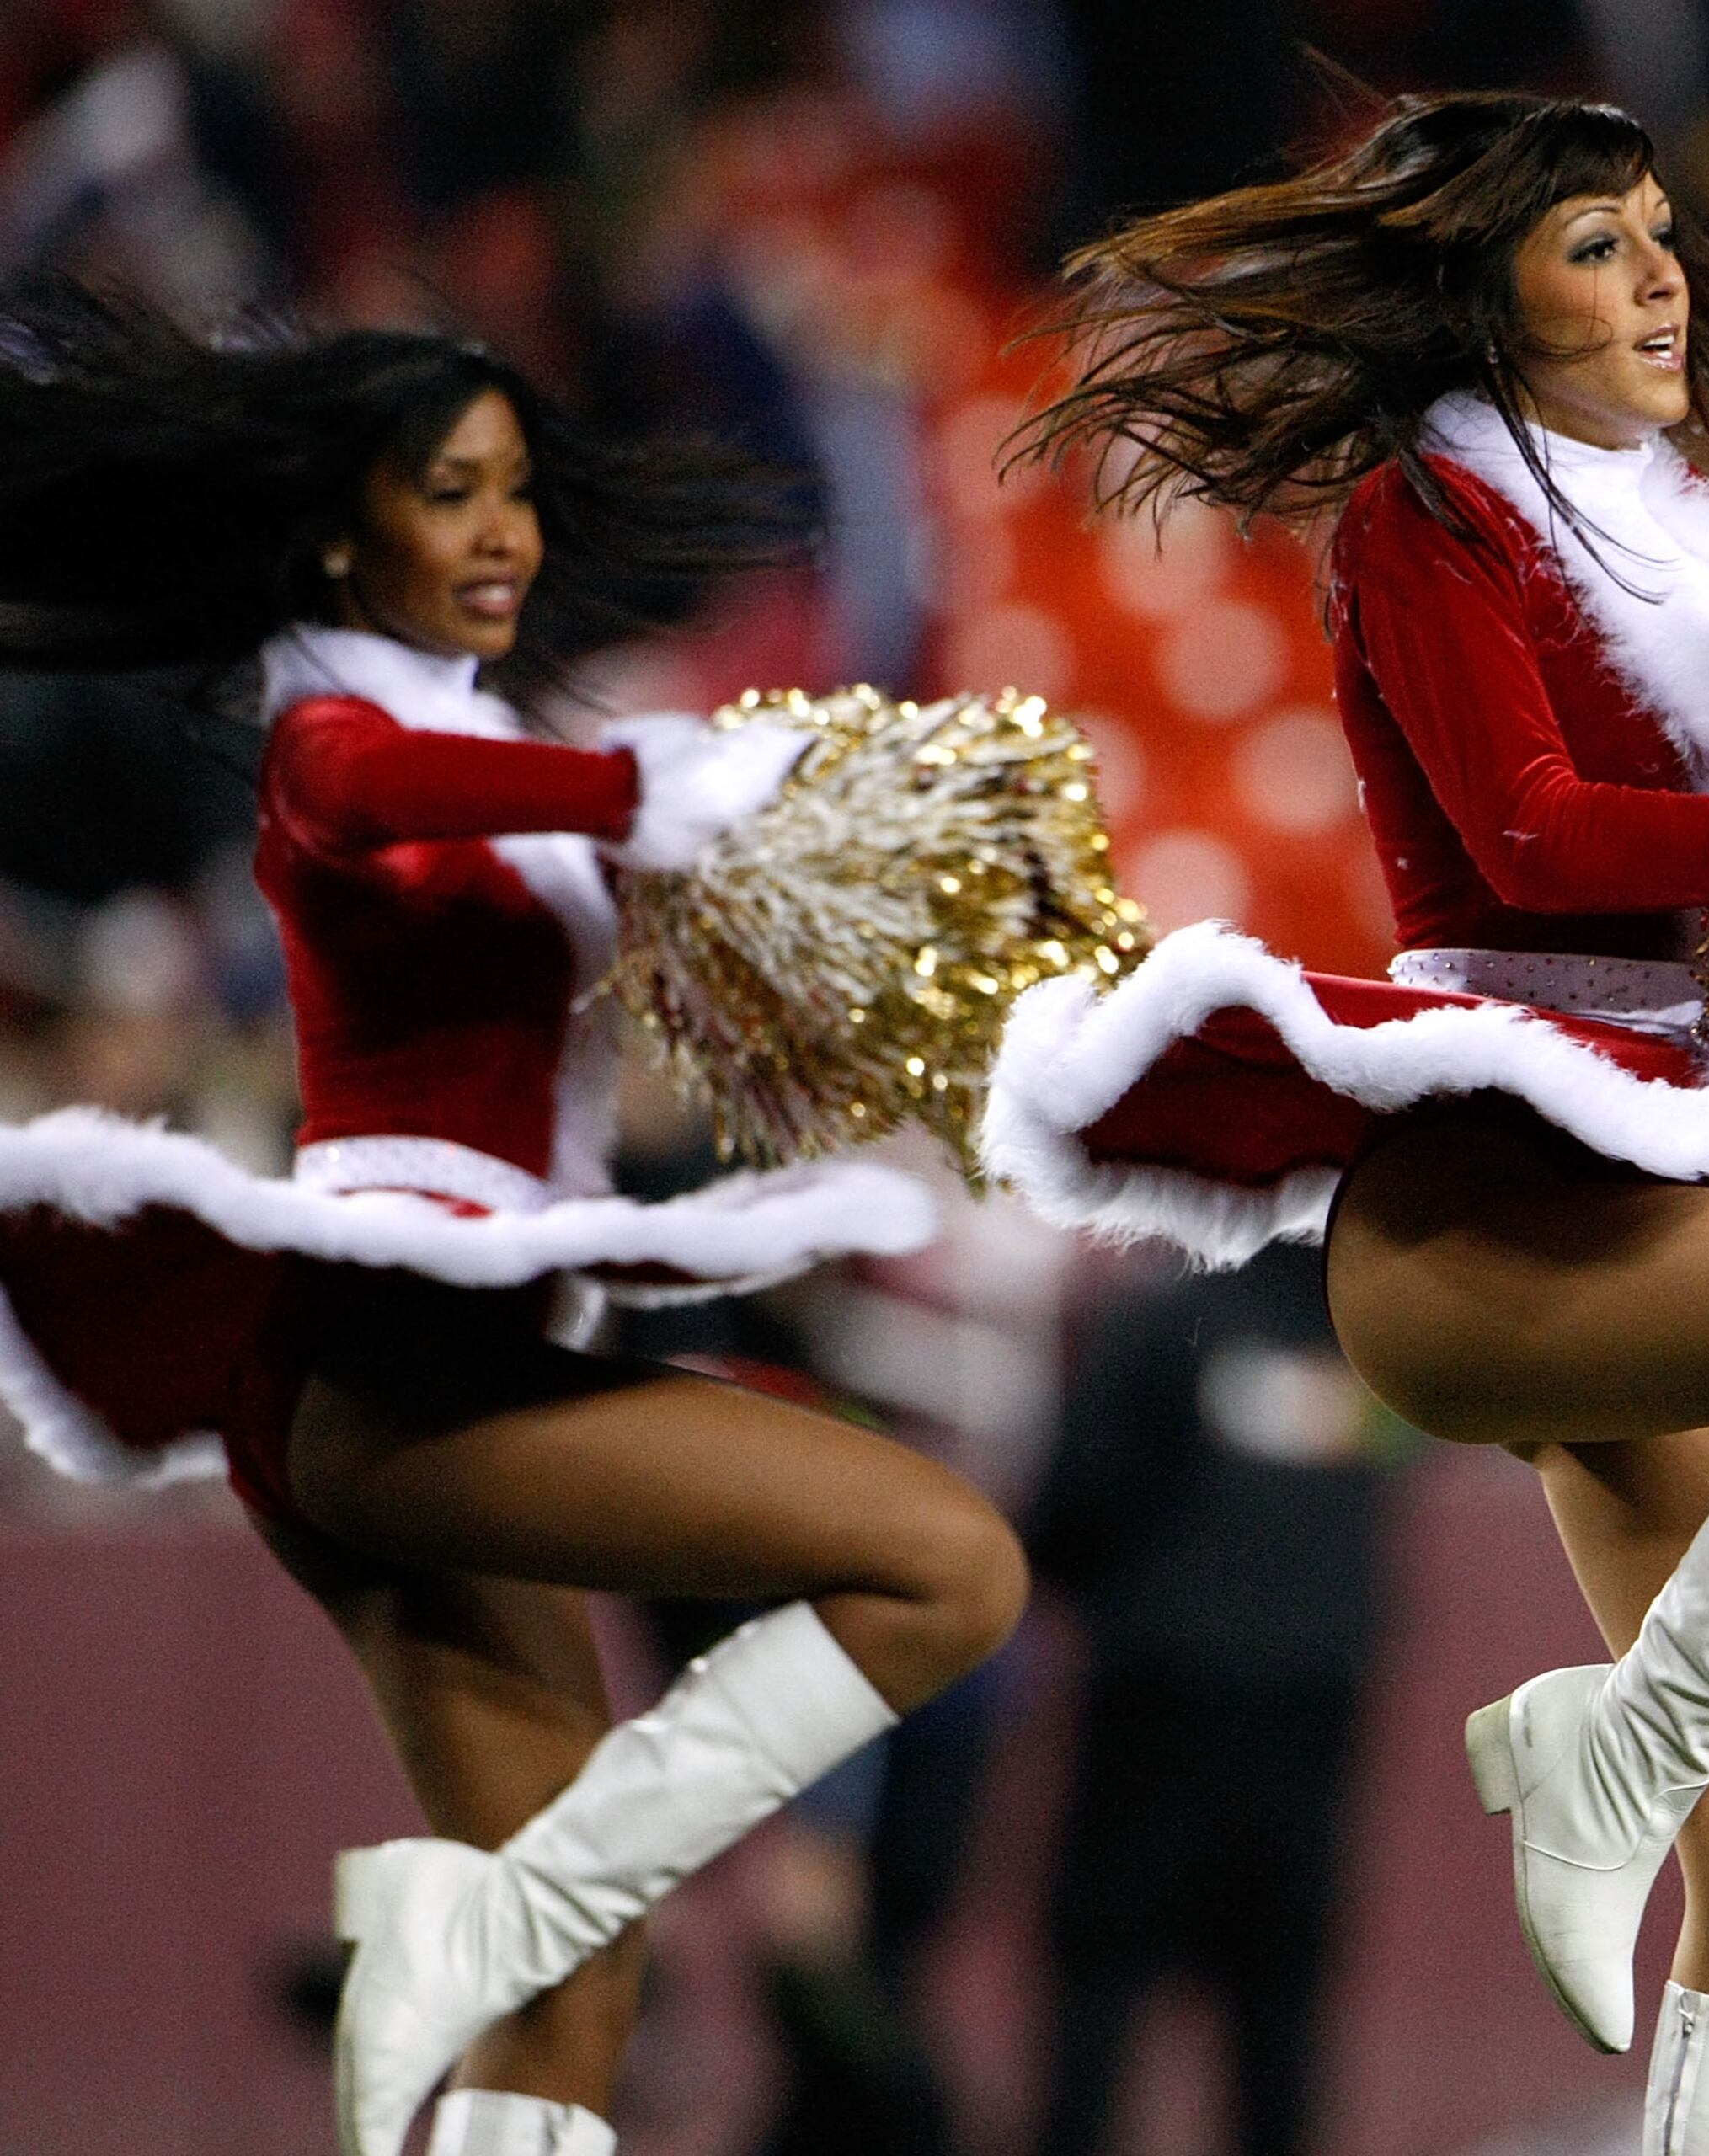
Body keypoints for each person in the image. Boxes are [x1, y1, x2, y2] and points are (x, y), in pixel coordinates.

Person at [985, 92, 1709, 2156]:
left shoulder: (1692, 533)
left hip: (1647, 1192)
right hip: (1486, 1210)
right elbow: (1536, 838)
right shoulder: (1427, 518)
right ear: (1483, 299)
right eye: (1594, 244)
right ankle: (1610, 1745)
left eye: (1660, 232)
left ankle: (1629, 1775)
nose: (1659, 272)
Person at [0, 279, 1028, 2156]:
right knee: (952, 1562)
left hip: (439, 1374)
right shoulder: (334, 725)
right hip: (400, 1373)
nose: (507, 532)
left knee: (584, 1988)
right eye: (453, 490)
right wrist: (656, 782)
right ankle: (468, 1926)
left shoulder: (493, 739)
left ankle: (489, 1938)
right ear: (339, 529)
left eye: (519, 490)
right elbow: (361, 791)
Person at [1026, 1240, 1400, 2156]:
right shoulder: (1378, 1346)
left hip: (1158, 1709)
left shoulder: (1159, 1318)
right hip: (1311, 1709)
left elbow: (1074, 1505)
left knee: (1100, 1999)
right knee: (1277, 2025)